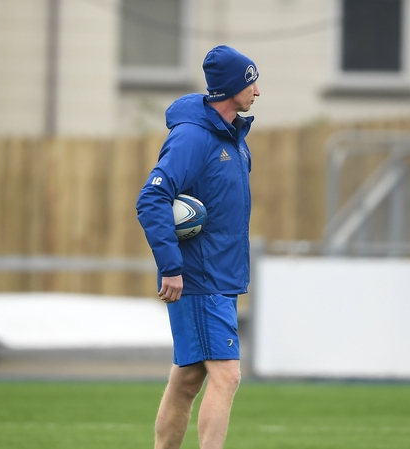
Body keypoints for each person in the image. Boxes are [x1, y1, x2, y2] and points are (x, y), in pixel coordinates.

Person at [136, 45, 259, 449]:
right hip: (200, 277)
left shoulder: (234, 138)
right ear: (230, 87)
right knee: (227, 376)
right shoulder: (192, 136)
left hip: (218, 276)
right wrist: (171, 266)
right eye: (251, 81)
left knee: (188, 378)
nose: (257, 91)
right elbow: (151, 199)